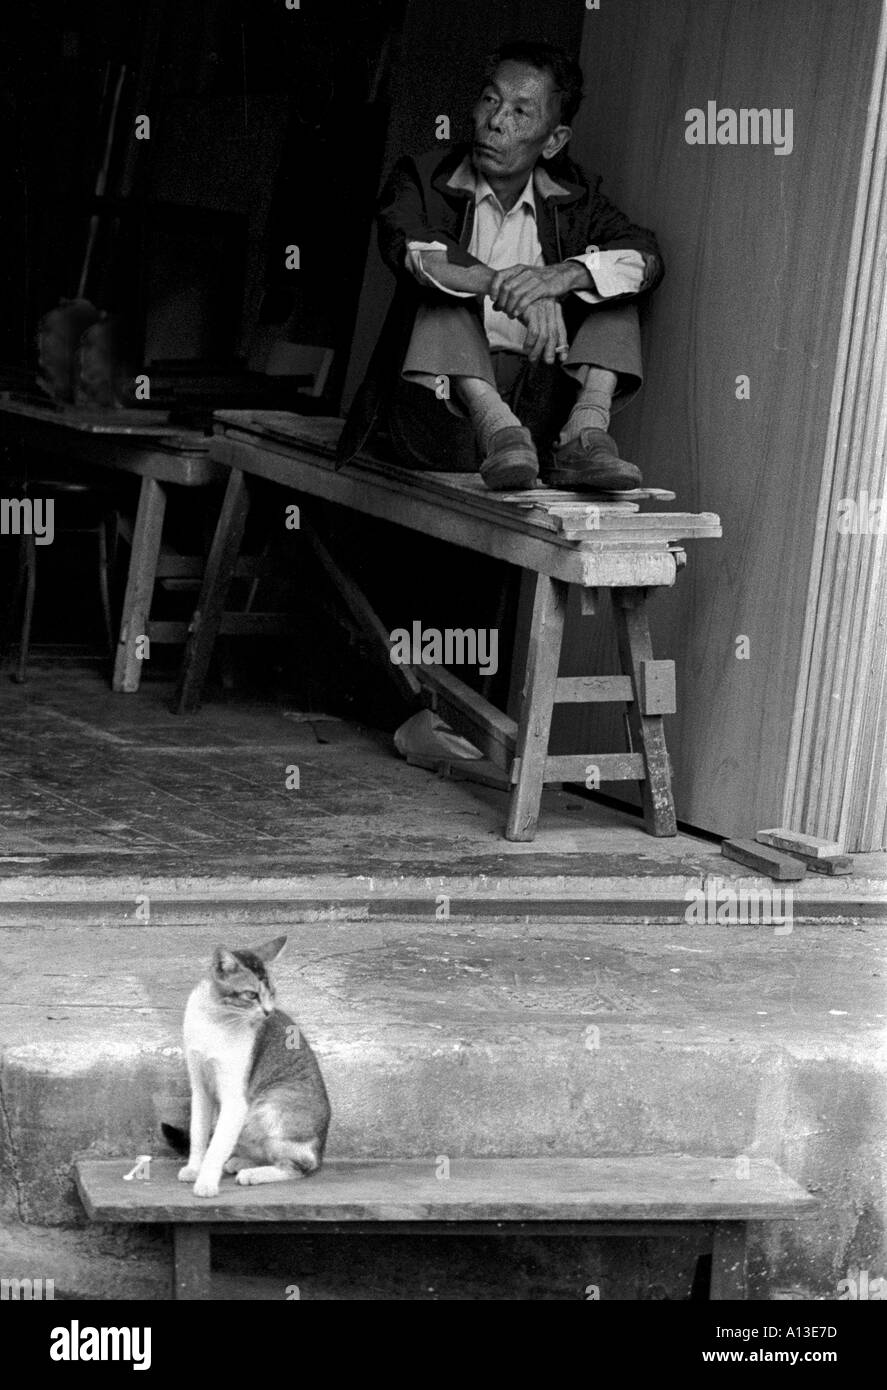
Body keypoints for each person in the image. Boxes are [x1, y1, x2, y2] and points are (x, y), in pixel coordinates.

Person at [339, 39, 664, 492]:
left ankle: (584, 432)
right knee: (441, 285)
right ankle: (497, 429)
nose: (494, 122)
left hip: (539, 422)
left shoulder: (578, 199)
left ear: (553, 141)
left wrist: (560, 277)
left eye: (519, 112)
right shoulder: (423, 178)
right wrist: (506, 288)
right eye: (491, 100)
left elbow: (645, 257)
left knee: (612, 282)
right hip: (442, 419)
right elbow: (412, 248)